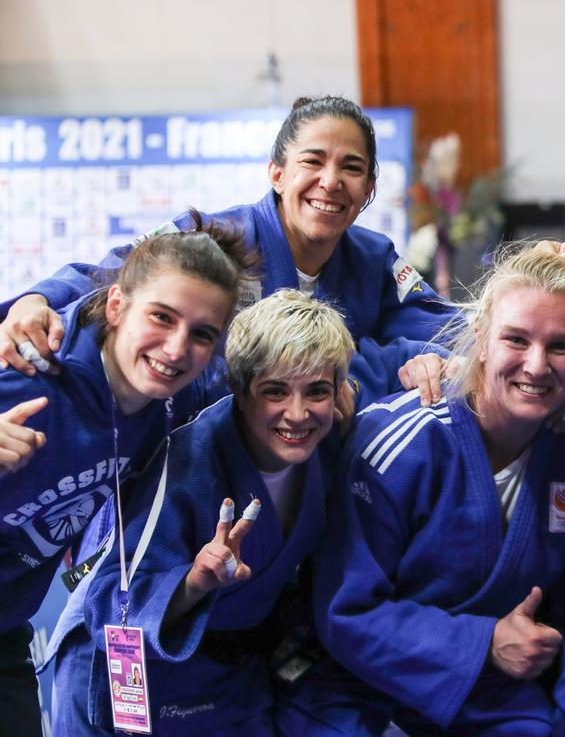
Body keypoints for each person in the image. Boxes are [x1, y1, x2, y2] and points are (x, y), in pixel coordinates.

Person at [279, 245, 565, 736]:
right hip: (359, 690)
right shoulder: (400, 444)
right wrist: (482, 642)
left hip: (494, 699)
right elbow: (347, 611)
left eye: (560, 346)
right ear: (481, 337)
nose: (536, 366)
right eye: (516, 339)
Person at [53, 290, 416, 735]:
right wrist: (193, 583)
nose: (298, 413)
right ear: (240, 392)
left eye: (317, 391)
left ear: (339, 391)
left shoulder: (326, 444)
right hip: (129, 669)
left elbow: (410, 351)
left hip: (232, 671)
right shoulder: (188, 463)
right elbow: (112, 606)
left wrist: (436, 364)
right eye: (275, 391)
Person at [0, 217, 254, 735]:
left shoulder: (177, 396)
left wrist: (349, 387)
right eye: (161, 317)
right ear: (116, 305)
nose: (176, 348)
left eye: (202, 334)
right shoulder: (26, 369)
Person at [0, 95, 455, 376]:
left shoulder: (374, 257)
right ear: (277, 174)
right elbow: (117, 272)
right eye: (312, 161)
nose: (331, 181)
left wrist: (414, 360)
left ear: (370, 188)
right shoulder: (215, 238)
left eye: (351, 167)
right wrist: (36, 300)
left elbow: (439, 327)